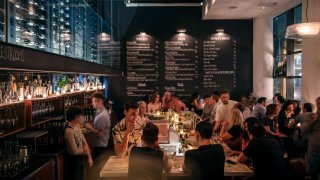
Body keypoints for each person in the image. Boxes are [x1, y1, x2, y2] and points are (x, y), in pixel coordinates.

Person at [64, 106, 93, 180]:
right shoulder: (69, 130)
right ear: (75, 116)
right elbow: (74, 151)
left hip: (81, 159)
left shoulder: (77, 126)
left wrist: (89, 157)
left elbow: (85, 142)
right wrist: (86, 151)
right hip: (73, 162)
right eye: (81, 115)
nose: (82, 117)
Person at [84, 92, 111, 158]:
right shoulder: (98, 112)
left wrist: (89, 127)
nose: (92, 103)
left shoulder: (102, 116)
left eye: (94, 101)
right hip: (98, 145)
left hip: (100, 146)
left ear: (100, 101)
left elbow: (99, 133)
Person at [301, 97, 320, 180]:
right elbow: (304, 129)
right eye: (318, 104)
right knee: (313, 172)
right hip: (314, 147)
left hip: (315, 146)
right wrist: (314, 121)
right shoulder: (312, 116)